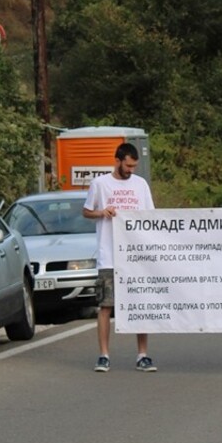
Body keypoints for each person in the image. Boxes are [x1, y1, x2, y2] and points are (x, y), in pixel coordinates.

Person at [83, 142, 155, 373]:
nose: (131, 170)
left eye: (134, 166)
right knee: (106, 305)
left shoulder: (141, 185)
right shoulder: (100, 184)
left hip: (135, 256)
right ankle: (104, 355)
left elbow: (150, 217)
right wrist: (102, 212)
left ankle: (142, 354)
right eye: (128, 165)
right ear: (118, 160)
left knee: (139, 303)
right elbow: (86, 211)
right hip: (109, 255)